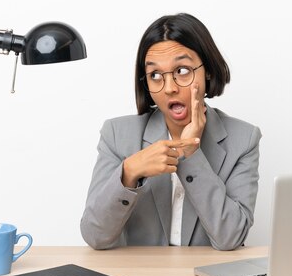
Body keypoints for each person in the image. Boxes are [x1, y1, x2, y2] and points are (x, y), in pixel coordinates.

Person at [80, 13, 261, 250]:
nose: (169, 88)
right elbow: (95, 236)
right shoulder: (117, 134)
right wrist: (129, 172)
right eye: (155, 75)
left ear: (207, 70)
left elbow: (230, 238)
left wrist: (191, 154)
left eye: (182, 71)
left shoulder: (244, 139)